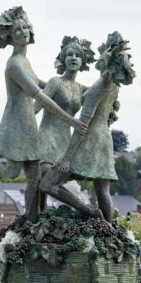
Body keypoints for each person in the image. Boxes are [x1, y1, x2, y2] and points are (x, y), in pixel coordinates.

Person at [0, 7, 87, 221]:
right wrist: (70, 119)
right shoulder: (14, 64)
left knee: (34, 179)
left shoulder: (25, 61)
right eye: (18, 30)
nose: (24, 32)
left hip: (28, 123)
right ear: (10, 36)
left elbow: (44, 85)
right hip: (16, 123)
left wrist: (70, 86)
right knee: (11, 171)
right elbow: (40, 96)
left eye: (26, 27)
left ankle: (31, 220)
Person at [39, 31, 136, 222]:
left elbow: (82, 125)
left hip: (89, 141)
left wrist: (67, 158)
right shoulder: (113, 86)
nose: (97, 60)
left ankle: (89, 211)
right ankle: (109, 230)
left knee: (47, 184)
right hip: (104, 140)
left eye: (101, 56)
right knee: (102, 190)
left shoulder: (98, 88)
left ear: (107, 60)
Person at [35, 36, 95, 209]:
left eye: (78, 55)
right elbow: (37, 106)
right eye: (70, 54)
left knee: (58, 181)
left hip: (66, 140)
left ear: (83, 61)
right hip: (48, 136)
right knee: (44, 176)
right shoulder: (55, 82)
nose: (74, 58)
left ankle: (84, 210)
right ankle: (39, 216)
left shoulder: (81, 89)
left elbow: (100, 95)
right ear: (63, 58)